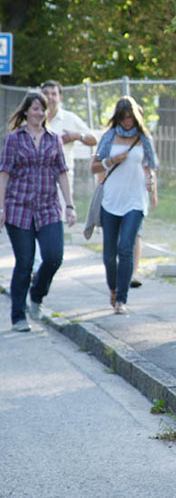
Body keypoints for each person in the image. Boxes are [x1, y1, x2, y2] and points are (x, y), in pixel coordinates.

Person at [0, 91, 77, 331]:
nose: (40, 113)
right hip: (18, 208)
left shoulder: (54, 139)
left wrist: (70, 205)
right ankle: (18, 317)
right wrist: (1, 206)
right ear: (26, 112)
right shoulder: (14, 139)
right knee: (24, 262)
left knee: (54, 256)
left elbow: (62, 173)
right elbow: (4, 173)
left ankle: (37, 294)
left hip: (48, 208)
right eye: (35, 109)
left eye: (42, 109)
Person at [91, 97, 158, 314]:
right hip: (111, 200)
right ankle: (113, 288)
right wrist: (111, 161)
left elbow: (151, 167)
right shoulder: (108, 137)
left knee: (126, 248)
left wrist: (152, 184)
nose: (127, 121)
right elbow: (94, 167)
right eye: (123, 117)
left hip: (135, 201)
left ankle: (121, 299)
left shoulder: (143, 139)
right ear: (117, 117)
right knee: (109, 255)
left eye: (130, 117)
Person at [41, 80, 98, 197]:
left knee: (62, 215)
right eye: (46, 93)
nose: (49, 97)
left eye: (53, 94)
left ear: (60, 98)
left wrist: (76, 136)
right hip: (36, 181)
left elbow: (93, 139)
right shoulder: (33, 117)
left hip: (61, 182)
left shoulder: (69, 118)